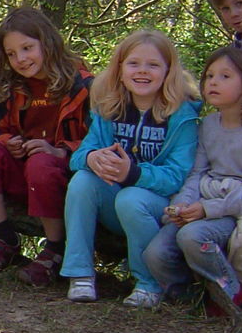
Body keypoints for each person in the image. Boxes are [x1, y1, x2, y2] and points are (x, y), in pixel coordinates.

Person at [60, 29, 200, 307]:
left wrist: (133, 174)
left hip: (158, 208)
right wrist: (92, 158)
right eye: (134, 63)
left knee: (131, 197)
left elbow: (177, 176)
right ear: (120, 69)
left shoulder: (181, 116)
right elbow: (78, 157)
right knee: (82, 182)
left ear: (168, 71)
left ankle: (149, 282)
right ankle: (80, 273)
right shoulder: (109, 107)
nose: (142, 71)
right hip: (115, 204)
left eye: (153, 65)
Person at [0, 7, 92, 285]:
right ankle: (3, 237)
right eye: (11, 53)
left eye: (27, 48)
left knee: (41, 162)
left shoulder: (83, 85)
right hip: (23, 175)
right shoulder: (14, 87)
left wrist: (61, 151)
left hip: (66, 178)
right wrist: (9, 143)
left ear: (47, 42)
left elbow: (100, 139)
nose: (20, 59)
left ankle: (55, 248)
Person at [144, 47, 242, 313]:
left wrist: (207, 209)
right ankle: (190, 299)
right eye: (209, 76)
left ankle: (231, 296)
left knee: (192, 236)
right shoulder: (207, 125)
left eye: (225, 76)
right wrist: (182, 205)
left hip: (236, 213)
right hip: (201, 204)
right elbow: (197, 173)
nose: (213, 82)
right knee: (155, 254)